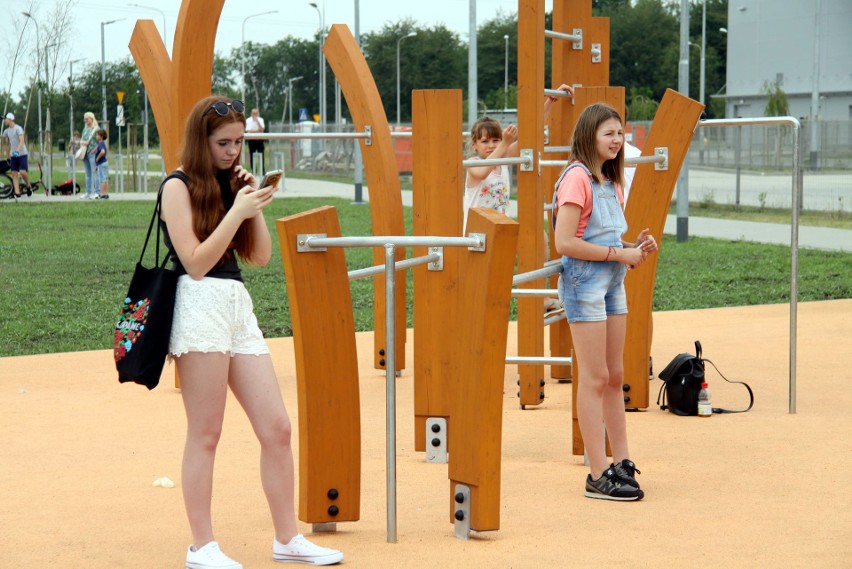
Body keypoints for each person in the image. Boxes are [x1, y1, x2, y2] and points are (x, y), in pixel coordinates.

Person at [160, 95, 343, 569]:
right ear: (201, 141)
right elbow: (196, 263)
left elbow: (260, 257)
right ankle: (201, 546)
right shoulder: (176, 187)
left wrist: (254, 204)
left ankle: (288, 538)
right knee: (206, 432)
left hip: (237, 304)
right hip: (199, 303)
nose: (233, 152)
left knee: (277, 428)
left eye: (239, 142)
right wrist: (235, 212)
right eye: (224, 143)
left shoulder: (232, 185)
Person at [551, 102, 658, 501]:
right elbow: (565, 243)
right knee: (595, 378)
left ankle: (622, 460)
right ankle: (597, 473)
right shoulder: (577, 178)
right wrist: (620, 255)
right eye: (609, 133)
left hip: (611, 281)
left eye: (620, 133)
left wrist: (635, 247)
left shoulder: (610, 180)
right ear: (589, 135)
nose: (617, 140)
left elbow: (604, 240)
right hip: (585, 284)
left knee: (616, 375)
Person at [464, 84, 573, 313]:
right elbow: (483, 172)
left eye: (495, 140)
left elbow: (530, 135)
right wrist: (504, 143)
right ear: (474, 144)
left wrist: (550, 102)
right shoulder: (473, 164)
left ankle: (540, 298)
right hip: (477, 232)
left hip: (501, 226)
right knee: (482, 285)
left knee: (537, 238)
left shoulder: (503, 159)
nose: (491, 145)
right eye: (485, 142)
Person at [2, 113, 31, 198]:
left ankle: (28, 186)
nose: (4, 121)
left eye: (5, 119)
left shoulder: (18, 128)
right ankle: (17, 193)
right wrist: (8, 157)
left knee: (22, 172)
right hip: (13, 155)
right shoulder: (6, 131)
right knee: (14, 173)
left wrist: (17, 151)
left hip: (22, 154)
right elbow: (7, 145)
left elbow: (22, 141)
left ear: (10, 119)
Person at [79, 112, 100, 199]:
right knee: (88, 174)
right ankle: (88, 192)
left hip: (93, 153)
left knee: (95, 172)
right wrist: (84, 142)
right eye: (84, 119)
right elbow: (81, 140)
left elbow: (101, 141)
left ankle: (97, 192)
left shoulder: (96, 129)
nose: (85, 120)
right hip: (85, 153)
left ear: (91, 118)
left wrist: (95, 149)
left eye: (87, 119)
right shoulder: (85, 129)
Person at [245, 107, 266, 172]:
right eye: (253, 113)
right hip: (251, 139)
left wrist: (257, 121)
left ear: (258, 113)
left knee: (261, 155)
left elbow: (262, 129)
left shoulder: (261, 120)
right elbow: (248, 130)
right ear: (251, 113)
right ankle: (253, 170)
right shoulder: (248, 120)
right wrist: (257, 130)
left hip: (259, 139)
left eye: (256, 113)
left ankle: (262, 170)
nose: (254, 115)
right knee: (251, 155)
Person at [94, 129, 110, 200]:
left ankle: (102, 194)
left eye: (97, 135)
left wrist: (97, 158)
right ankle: (106, 193)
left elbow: (102, 152)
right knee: (105, 178)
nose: (96, 136)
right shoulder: (102, 143)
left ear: (101, 136)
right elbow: (98, 149)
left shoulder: (100, 144)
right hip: (105, 162)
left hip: (101, 163)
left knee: (102, 179)